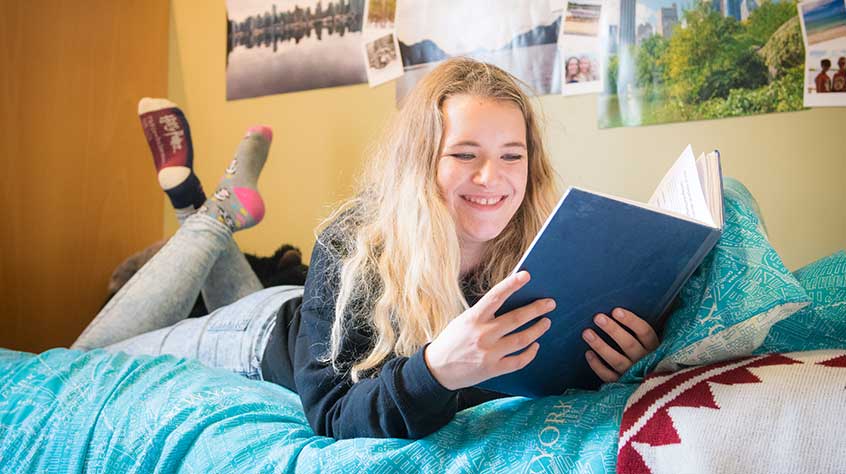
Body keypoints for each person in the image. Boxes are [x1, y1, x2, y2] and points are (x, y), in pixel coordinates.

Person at [72, 58, 660, 441]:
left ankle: (213, 200)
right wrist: (435, 370)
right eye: (464, 154)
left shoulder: (544, 247)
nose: (493, 178)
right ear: (419, 161)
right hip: (253, 337)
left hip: (309, 310)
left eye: (512, 154)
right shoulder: (353, 241)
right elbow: (329, 413)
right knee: (83, 357)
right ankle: (219, 211)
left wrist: (616, 358)